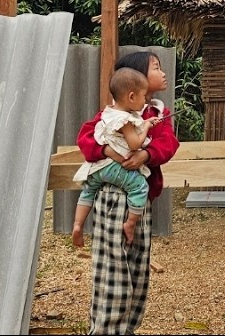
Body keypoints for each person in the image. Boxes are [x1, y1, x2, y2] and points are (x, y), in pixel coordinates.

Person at [76, 50, 179, 335]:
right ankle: (106, 329)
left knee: (137, 268)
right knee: (114, 268)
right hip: (113, 198)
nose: (162, 73)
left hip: (138, 201)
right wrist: (108, 150)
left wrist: (146, 155)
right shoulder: (112, 114)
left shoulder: (157, 113)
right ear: (134, 84)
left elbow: (168, 144)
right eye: (156, 68)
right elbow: (86, 139)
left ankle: (126, 327)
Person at [71, 67, 162, 248]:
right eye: (143, 96)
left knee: (88, 191)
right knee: (140, 187)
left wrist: (144, 123)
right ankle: (130, 224)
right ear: (131, 97)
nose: (145, 100)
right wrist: (145, 128)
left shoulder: (109, 113)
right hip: (115, 168)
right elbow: (134, 144)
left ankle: (78, 224)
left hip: (97, 167)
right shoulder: (125, 120)